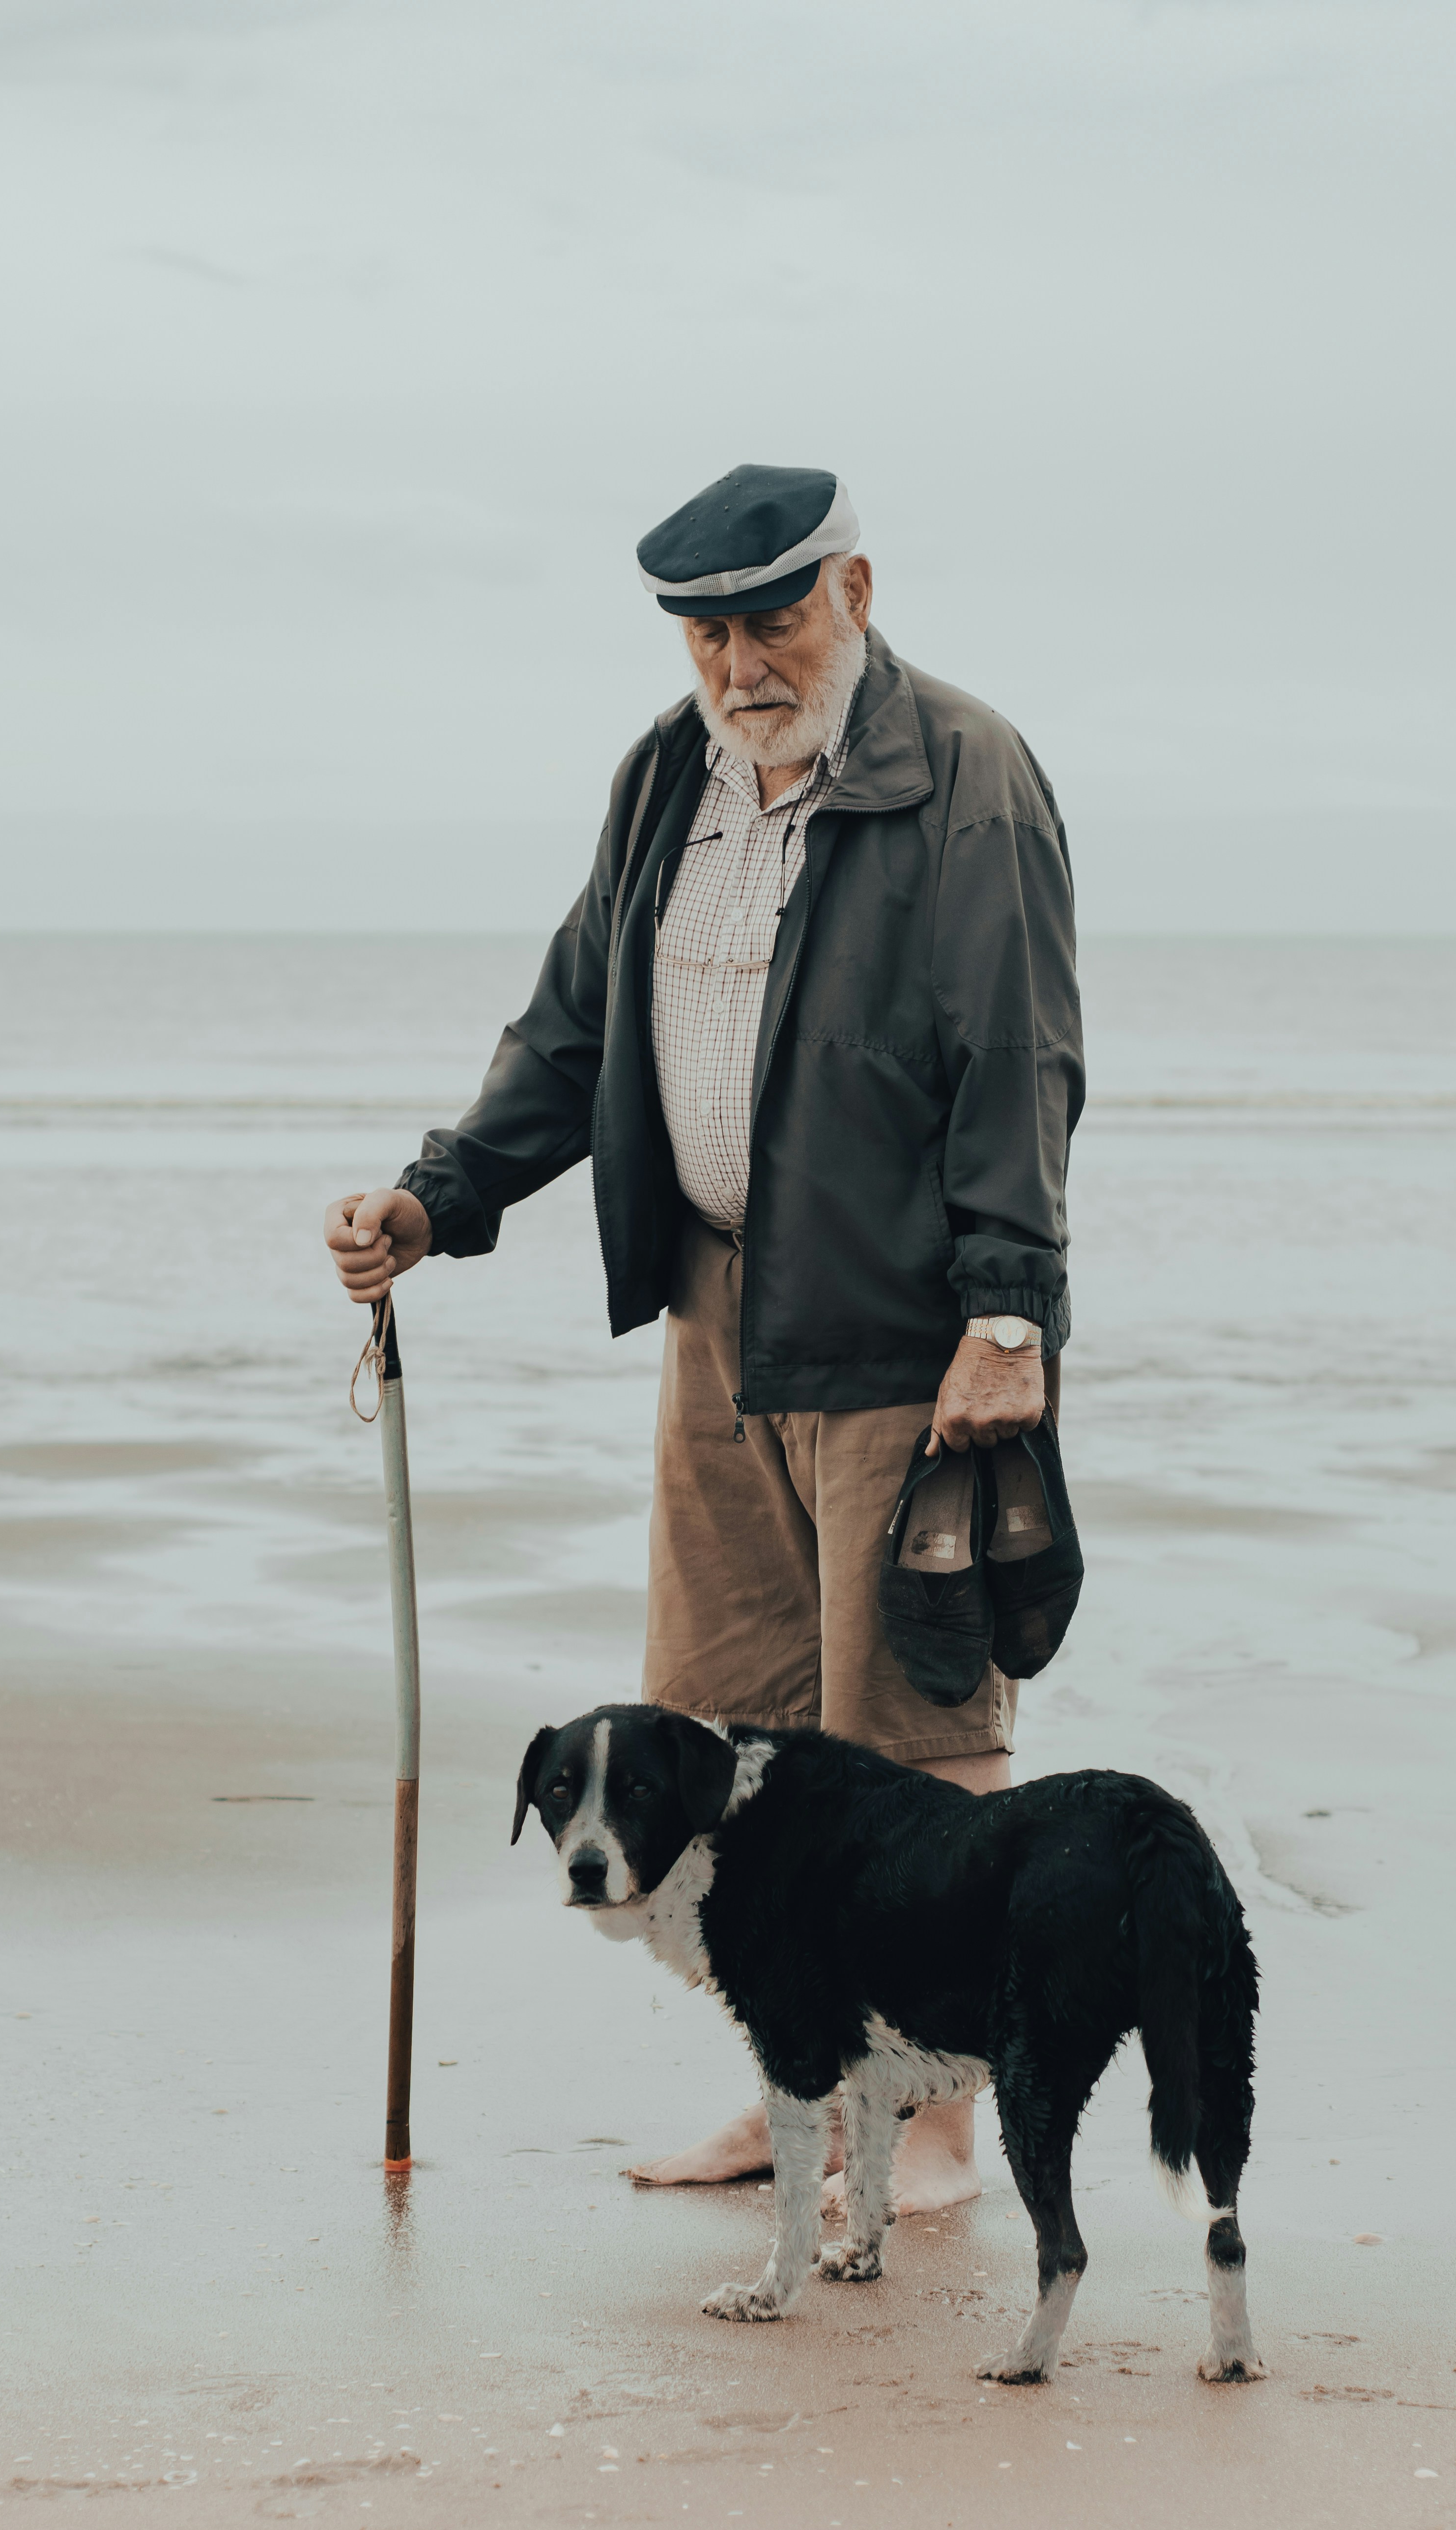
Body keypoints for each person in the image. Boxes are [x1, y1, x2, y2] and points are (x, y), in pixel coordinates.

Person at [325, 465, 1084, 2214]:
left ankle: (943, 2124)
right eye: (709, 627)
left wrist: (1007, 1313)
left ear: (856, 591)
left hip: (908, 1322)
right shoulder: (667, 775)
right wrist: (437, 1200)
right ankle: (796, 2087)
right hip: (716, 1306)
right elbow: (578, 1017)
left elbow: (1018, 1057)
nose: (742, 660)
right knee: (729, 1722)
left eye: (774, 616)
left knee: (914, 1725)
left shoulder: (963, 772)